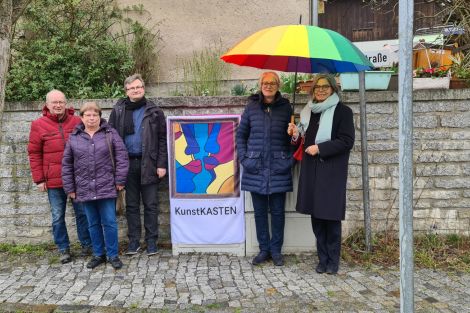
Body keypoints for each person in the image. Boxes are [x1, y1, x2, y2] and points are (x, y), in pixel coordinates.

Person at [287, 74, 355, 275]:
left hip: (331, 171)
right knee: (316, 217)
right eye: (318, 87)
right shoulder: (308, 111)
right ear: (313, 90)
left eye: (326, 87)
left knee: (330, 217)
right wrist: (294, 133)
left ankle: (333, 261)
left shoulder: (343, 112)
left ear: (333, 89)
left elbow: (346, 141)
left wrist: (321, 149)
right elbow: (302, 138)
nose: (321, 90)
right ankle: (322, 258)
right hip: (311, 170)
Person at [27, 89, 92, 264]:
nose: (58, 105)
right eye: (54, 102)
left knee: (83, 213)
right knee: (57, 216)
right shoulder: (38, 125)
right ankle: (64, 249)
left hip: (77, 178)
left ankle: (87, 245)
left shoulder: (77, 121)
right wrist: (39, 179)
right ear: (47, 105)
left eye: (61, 102)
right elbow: (34, 153)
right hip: (54, 180)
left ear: (66, 103)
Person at [236, 71, 294, 266]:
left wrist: (294, 135)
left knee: (278, 212)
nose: (268, 85)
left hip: (279, 167)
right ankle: (264, 250)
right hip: (256, 167)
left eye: (273, 82)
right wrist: (245, 159)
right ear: (260, 85)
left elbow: (293, 141)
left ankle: (276, 251)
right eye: (265, 82)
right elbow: (241, 136)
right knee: (260, 212)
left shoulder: (286, 107)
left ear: (278, 85)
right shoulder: (252, 107)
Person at [62, 102, 129, 269]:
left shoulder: (110, 134)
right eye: (88, 115)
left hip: (107, 186)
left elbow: (122, 157)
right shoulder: (74, 137)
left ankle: (113, 255)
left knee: (110, 222)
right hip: (84, 188)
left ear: (99, 117)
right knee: (92, 223)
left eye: (95, 115)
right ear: (82, 117)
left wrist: (120, 180)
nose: (91, 118)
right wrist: (70, 188)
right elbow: (67, 164)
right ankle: (98, 254)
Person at [108, 74, 168, 256]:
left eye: (139, 87)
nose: (136, 90)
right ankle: (134, 242)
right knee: (132, 205)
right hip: (126, 164)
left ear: (143, 89)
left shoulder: (154, 111)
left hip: (149, 163)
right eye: (132, 88)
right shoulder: (118, 111)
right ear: (126, 91)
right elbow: (110, 138)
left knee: (151, 204)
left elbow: (162, 140)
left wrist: (161, 164)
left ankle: (151, 242)